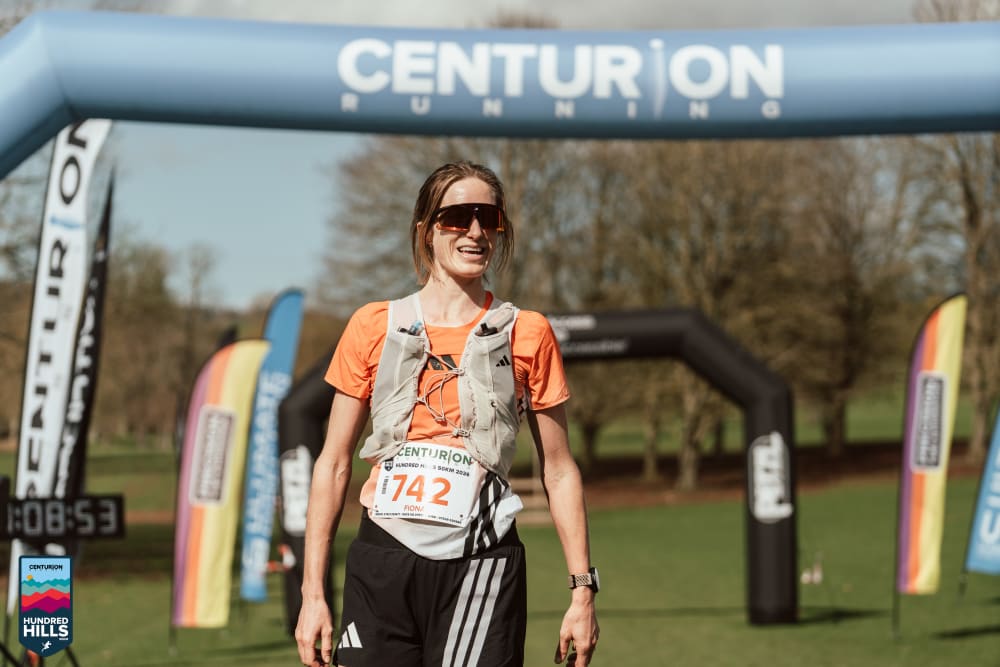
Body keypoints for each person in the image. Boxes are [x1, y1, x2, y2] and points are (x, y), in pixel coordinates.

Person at [295, 160, 600, 667]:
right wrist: (312, 595)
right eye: (458, 217)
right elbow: (333, 464)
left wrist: (582, 591)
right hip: (382, 561)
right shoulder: (373, 325)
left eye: (489, 218)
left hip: (481, 565)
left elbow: (560, 469)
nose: (475, 231)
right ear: (427, 230)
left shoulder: (527, 332)